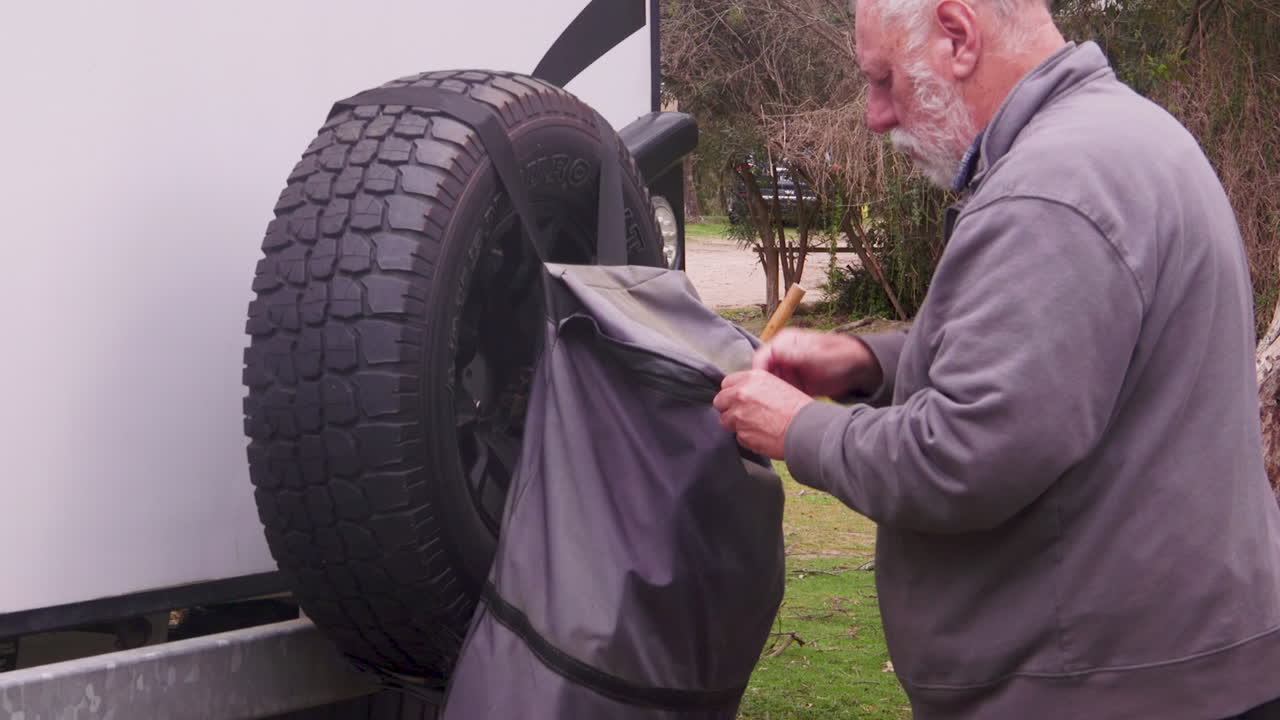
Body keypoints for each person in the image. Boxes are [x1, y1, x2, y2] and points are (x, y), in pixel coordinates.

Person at [712, 0, 1280, 717]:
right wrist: (867, 363)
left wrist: (799, 429)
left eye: (885, 79)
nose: (875, 116)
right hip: (1166, 666)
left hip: (1102, 687)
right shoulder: (1125, 137)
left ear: (957, 36)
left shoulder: (1052, 189)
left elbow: (966, 457)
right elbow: (1059, 365)